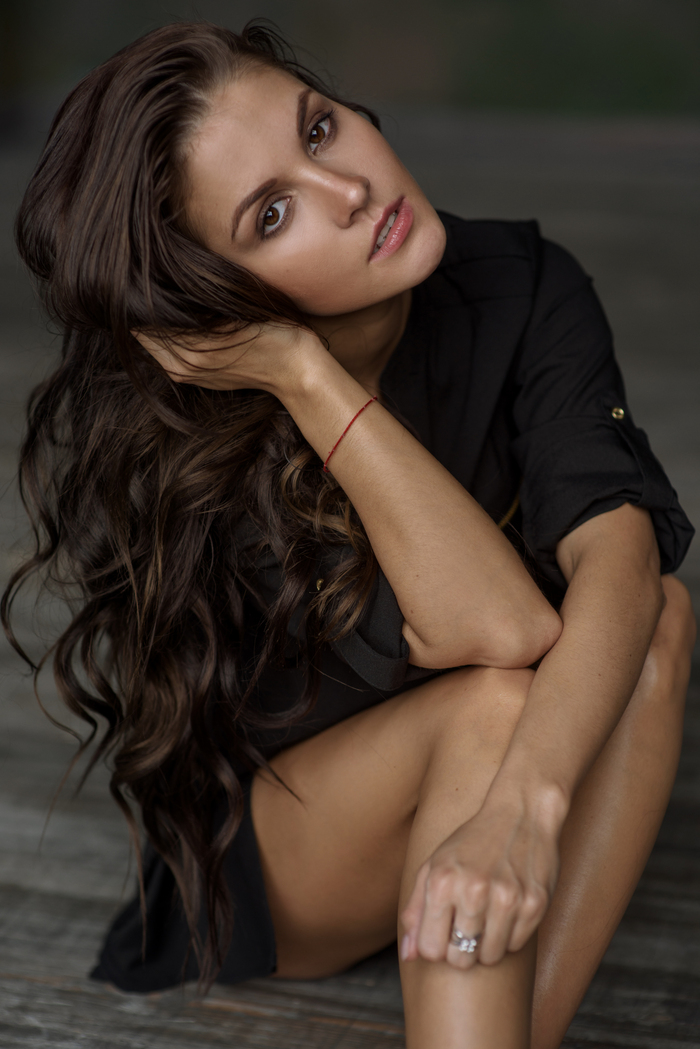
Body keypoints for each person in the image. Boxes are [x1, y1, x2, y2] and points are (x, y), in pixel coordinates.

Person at [3, 20, 695, 1049]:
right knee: (495, 702)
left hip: (484, 794)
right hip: (289, 861)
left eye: (319, 129)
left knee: (658, 619)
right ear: (221, 298)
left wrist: (526, 809)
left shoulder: (522, 282)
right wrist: (304, 374)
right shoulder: (215, 444)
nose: (351, 190)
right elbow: (498, 633)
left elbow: (620, 556)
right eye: (272, 213)